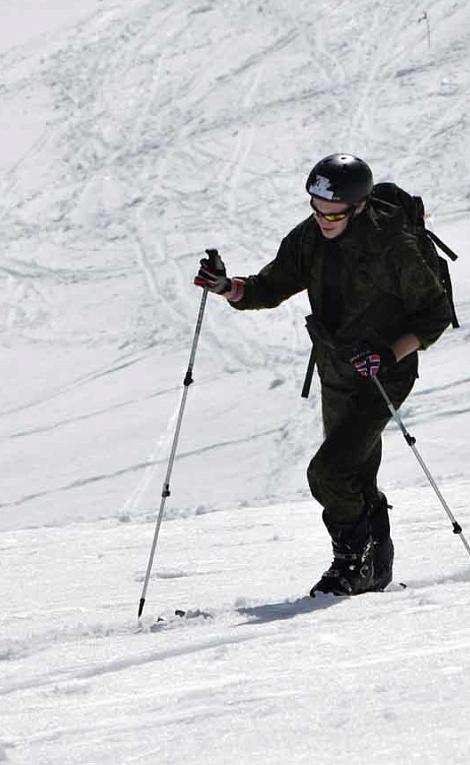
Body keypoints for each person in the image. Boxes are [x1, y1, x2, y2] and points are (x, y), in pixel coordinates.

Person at [193, 153, 453, 595]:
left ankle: (351, 563)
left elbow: (435, 315)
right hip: (336, 369)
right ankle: (375, 567)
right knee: (354, 473)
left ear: (360, 206)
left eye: (333, 213)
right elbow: (269, 287)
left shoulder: (394, 247)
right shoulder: (310, 237)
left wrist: (389, 355)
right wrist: (226, 287)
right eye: (317, 209)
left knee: (329, 473)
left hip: (383, 376)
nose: (323, 219)